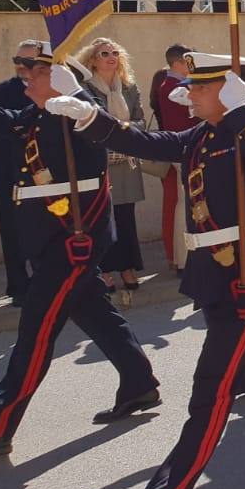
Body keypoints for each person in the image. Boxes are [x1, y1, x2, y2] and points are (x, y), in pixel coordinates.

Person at [51, 52, 245, 489]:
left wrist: (243, 112)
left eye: (199, 88)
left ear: (227, 92)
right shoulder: (201, 134)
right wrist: (91, 115)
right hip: (214, 273)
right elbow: (147, 141)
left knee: (210, 393)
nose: (188, 93)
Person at [0, 46, 160, 455]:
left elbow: (102, 149)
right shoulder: (38, 114)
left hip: (73, 240)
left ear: (61, 76)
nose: (25, 75)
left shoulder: (81, 118)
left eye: (36, 70)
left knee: (36, 330)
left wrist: (81, 103)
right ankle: (139, 384)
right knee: (94, 312)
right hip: (52, 237)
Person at [76, 37, 148, 303]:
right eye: (104, 53)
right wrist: (116, 130)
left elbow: (140, 118)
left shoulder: (129, 86)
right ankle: (105, 270)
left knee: (126, 216)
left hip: (126, 158)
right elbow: (85, 123)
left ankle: (127, 267)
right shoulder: (84, 89)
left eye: (115, 52)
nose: (111, 57)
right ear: (92, 59)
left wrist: (125, 130)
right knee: (102, 218)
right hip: (99, 160)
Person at [0, 39, 43, 302]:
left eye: (26, 62)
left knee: (45, 232)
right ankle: (18, 287)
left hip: (46, 178)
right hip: (9, 175)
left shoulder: (53, 91)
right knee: (12, 232)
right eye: (17, 61)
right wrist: (7, 161)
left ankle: (46, 283)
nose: (20, 66)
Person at [150, 45, 198, 271]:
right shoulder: (173, 86)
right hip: (184, 150)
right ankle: (184, 258)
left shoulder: (169, 84)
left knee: (184, 204)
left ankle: (183, 258)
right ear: (179, 63)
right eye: (188, 62)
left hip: (181, 149)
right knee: (184, 205)